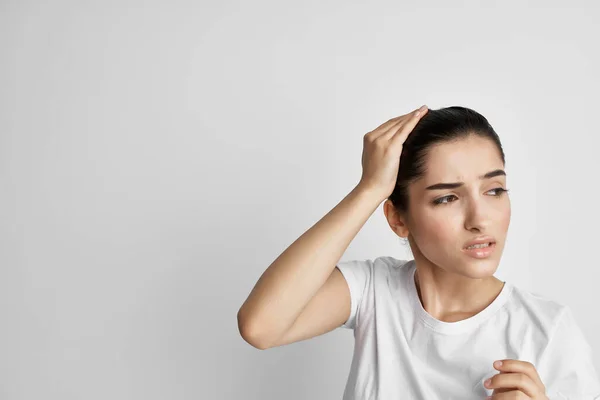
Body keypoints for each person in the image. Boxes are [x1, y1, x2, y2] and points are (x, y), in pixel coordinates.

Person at [237, 105, 600, 399]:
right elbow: (260, 327)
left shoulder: (547, 331)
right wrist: (368, 189)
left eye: (494, 190)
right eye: (447, 198)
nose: (479, 220)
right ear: (397, 218)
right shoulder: (374, 292)